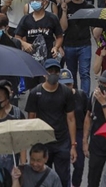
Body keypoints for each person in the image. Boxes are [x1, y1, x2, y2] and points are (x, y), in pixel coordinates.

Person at [25, 59, 77, 187]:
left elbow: (71, 118)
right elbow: (31, 118)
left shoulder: (66, 92)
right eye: (50, 71)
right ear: (44, 73)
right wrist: (32, 142)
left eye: (56, 71)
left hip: (62, 142)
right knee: (41, 178)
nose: (53, 74)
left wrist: (73, 145)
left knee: (64, 178)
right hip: (43, 142)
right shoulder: (35, 93)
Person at [15, 0, 64, 88]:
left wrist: (56, 47)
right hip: (31, 61)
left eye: (38, 0)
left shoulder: (52, 18)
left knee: (47, 85)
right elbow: (17, 37)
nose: (35, 2)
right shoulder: (26, 19)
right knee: (32, 88)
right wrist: (24, 44)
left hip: (48, 61)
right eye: (33, 0)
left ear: (44, 2)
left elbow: (59, 36)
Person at [60, 0, 94, 94]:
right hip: (69, 45)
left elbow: (94, 27)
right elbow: (63, 27)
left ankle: (85, 99)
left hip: (85, 44)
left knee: (84, 73)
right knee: (72, 74)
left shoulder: (89, 8)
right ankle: (74, 97)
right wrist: (64, 11)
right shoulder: (66, 7)